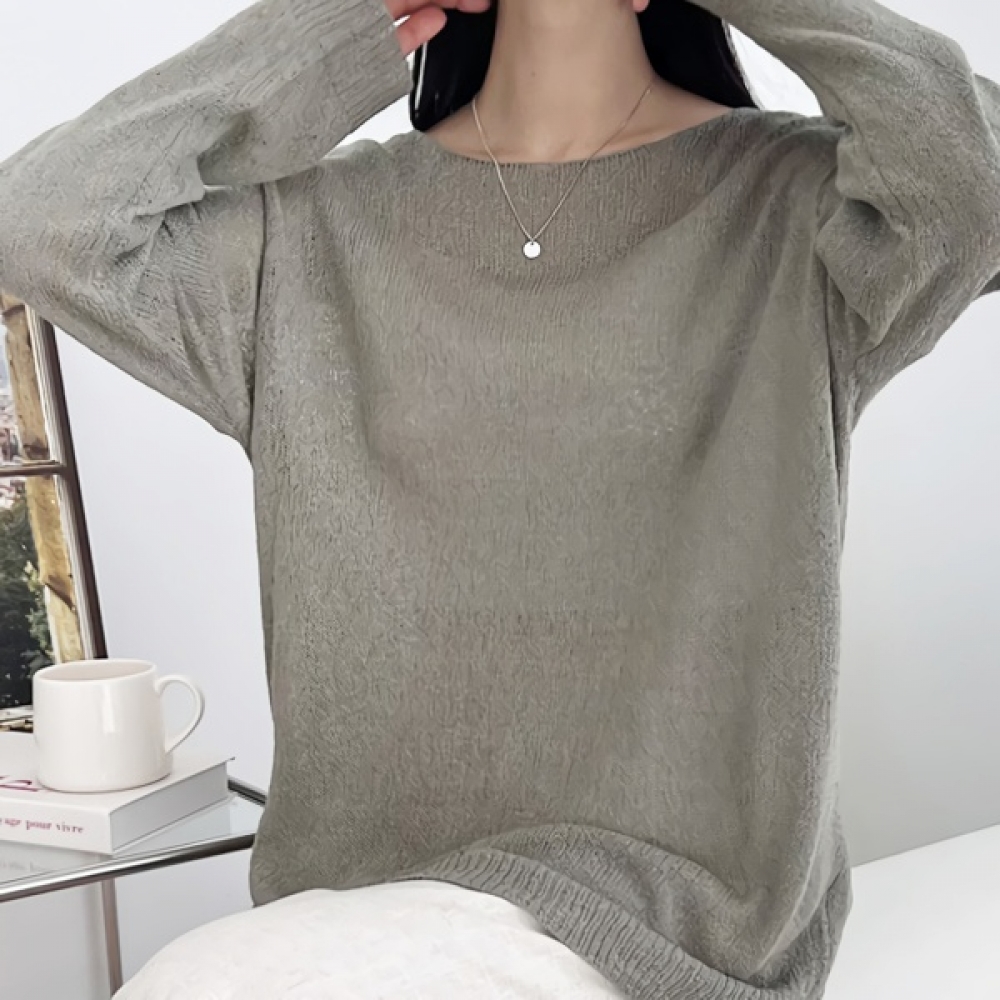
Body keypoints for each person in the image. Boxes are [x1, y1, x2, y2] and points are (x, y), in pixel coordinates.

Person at [1, 0, 998, 997]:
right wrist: (332, 25)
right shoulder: (304, 233)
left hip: (674, 930)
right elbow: (42, 222)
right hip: (360, 910)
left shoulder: (800, 212)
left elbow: (972, 182)